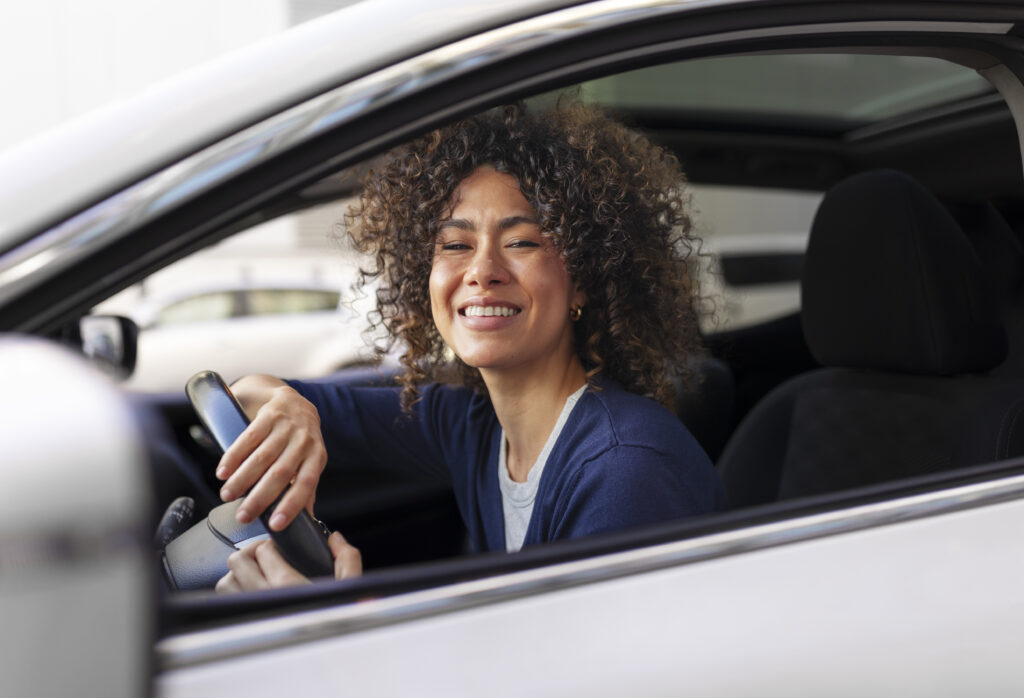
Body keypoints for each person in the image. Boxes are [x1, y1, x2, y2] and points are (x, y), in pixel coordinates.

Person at [214, 100, 726, 593]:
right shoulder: (473, 423)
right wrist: (290, 407)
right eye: (456, 245)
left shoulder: (625, 470)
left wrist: (332, 625)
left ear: (584, 279)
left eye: (522, 242)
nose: (481, 272)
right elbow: (242, 397)